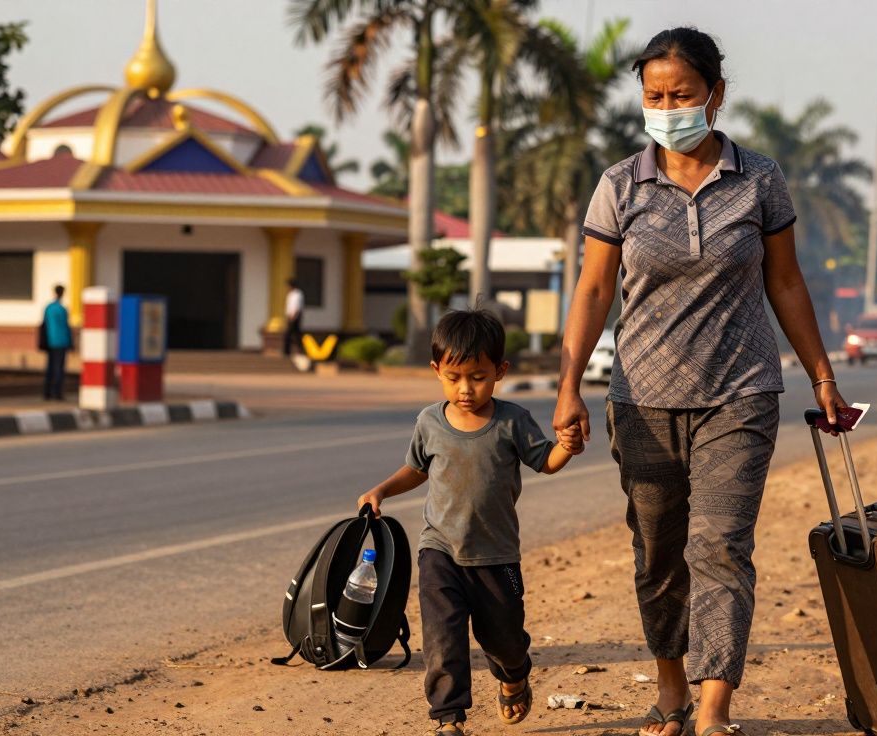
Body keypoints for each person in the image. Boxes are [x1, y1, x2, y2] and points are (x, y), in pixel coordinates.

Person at [552, 27, 848, 736]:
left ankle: (714, 708)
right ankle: (673, 685)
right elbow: (593, 292)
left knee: (719, 546)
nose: (666, 107)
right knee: (658, 555)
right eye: (653, 96)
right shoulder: (620, 185)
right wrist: (568, 386)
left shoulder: (760, 179)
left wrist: (821, 374)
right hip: (643, 401)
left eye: (680, 94)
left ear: (716, 95)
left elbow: (785, 280)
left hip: (739, 393)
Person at [357, 309, 583, 736]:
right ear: (437, 370)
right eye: (453, 377)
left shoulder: (512, 421)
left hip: (496, 555)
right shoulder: (429, 422)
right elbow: (417, 469)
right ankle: (448, 718)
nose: (465, 389)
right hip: (439, 550)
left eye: (477, 377)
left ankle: (514, 675)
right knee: (443, 640)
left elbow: (545, 462)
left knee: (504, 639)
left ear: (500, 371)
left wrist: (567, 446)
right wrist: (382, 490)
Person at [41, 284, 72, 401]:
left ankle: (47, 392)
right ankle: (57, 393)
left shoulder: (48, 308)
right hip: (61, 341)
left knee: (50, 367)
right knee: (59, 368)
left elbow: (44, 325)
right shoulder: (62, 309)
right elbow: (66, 327)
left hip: (50, 341)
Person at [284, 278, 304, 357]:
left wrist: (293, 317)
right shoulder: (290, 294)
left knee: (289, 334)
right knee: (296, 334)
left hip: (295, 317)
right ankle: (299, 350)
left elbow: (297, 307)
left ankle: (287, 352)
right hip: (290, 316)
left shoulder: (298, 294)